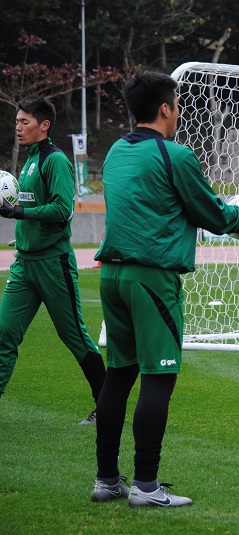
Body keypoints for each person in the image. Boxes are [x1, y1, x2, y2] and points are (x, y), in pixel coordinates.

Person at [90, 70, 239, 507]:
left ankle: (107, 480)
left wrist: (234, 221)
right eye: (176, 106)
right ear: (165, 108)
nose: (178, 114)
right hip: (152, 277)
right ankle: (146, 485)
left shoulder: (116, 151)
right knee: (159, 375)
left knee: (119, 374)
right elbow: (211, 212)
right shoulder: (175, 154)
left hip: (112, 275)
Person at [0, 97, 105, 425]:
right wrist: (24, 231)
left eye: (25, 122)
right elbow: (33, 205)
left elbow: (62, 210)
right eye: (17, 121)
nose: (18, 127)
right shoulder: (30, 160)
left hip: (53, 264)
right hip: (24, 265)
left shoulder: (55, 160)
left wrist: (17, 212)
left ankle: (107, 406)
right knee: (4, 332)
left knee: (74, 336)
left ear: (44, 125)